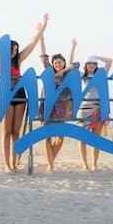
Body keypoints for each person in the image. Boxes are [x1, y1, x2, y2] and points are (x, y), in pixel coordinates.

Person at [0, 8, 49, 174]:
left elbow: (32, 44)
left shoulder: (18, 60)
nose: (14, 52)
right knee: (6, 132)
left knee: (16, 132)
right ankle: (6, 164)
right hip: (6, 96)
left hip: (20, 95)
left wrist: (44, 25)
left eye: (16, 50)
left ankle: (14, 163)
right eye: (12, 49)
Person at [39, 36, 78, 172]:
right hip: (47, 106)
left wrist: (73, 47)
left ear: (64, 63)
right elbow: (43, 57)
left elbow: (75, 64)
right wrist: (42, 38)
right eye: (55, 63)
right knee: (47, 136)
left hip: (62, 107)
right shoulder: (49, 72)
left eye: (59, 62)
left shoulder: (68, 74)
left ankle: (50, 162)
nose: (57, 64)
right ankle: (50, 165)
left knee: (60, 137)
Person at [75, 45, 113, 171]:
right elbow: (71, 66)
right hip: (84, 108)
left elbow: (109, 61)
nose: (92, 65)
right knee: (82, 137)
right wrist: (74, 47)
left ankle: (94, 164)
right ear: (85, 65)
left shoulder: (101, 74)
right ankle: (84, 164)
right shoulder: (82, 75)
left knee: (96, 138)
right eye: (89, 63)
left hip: (98, 108)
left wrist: (95, 56)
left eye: (94, 63)